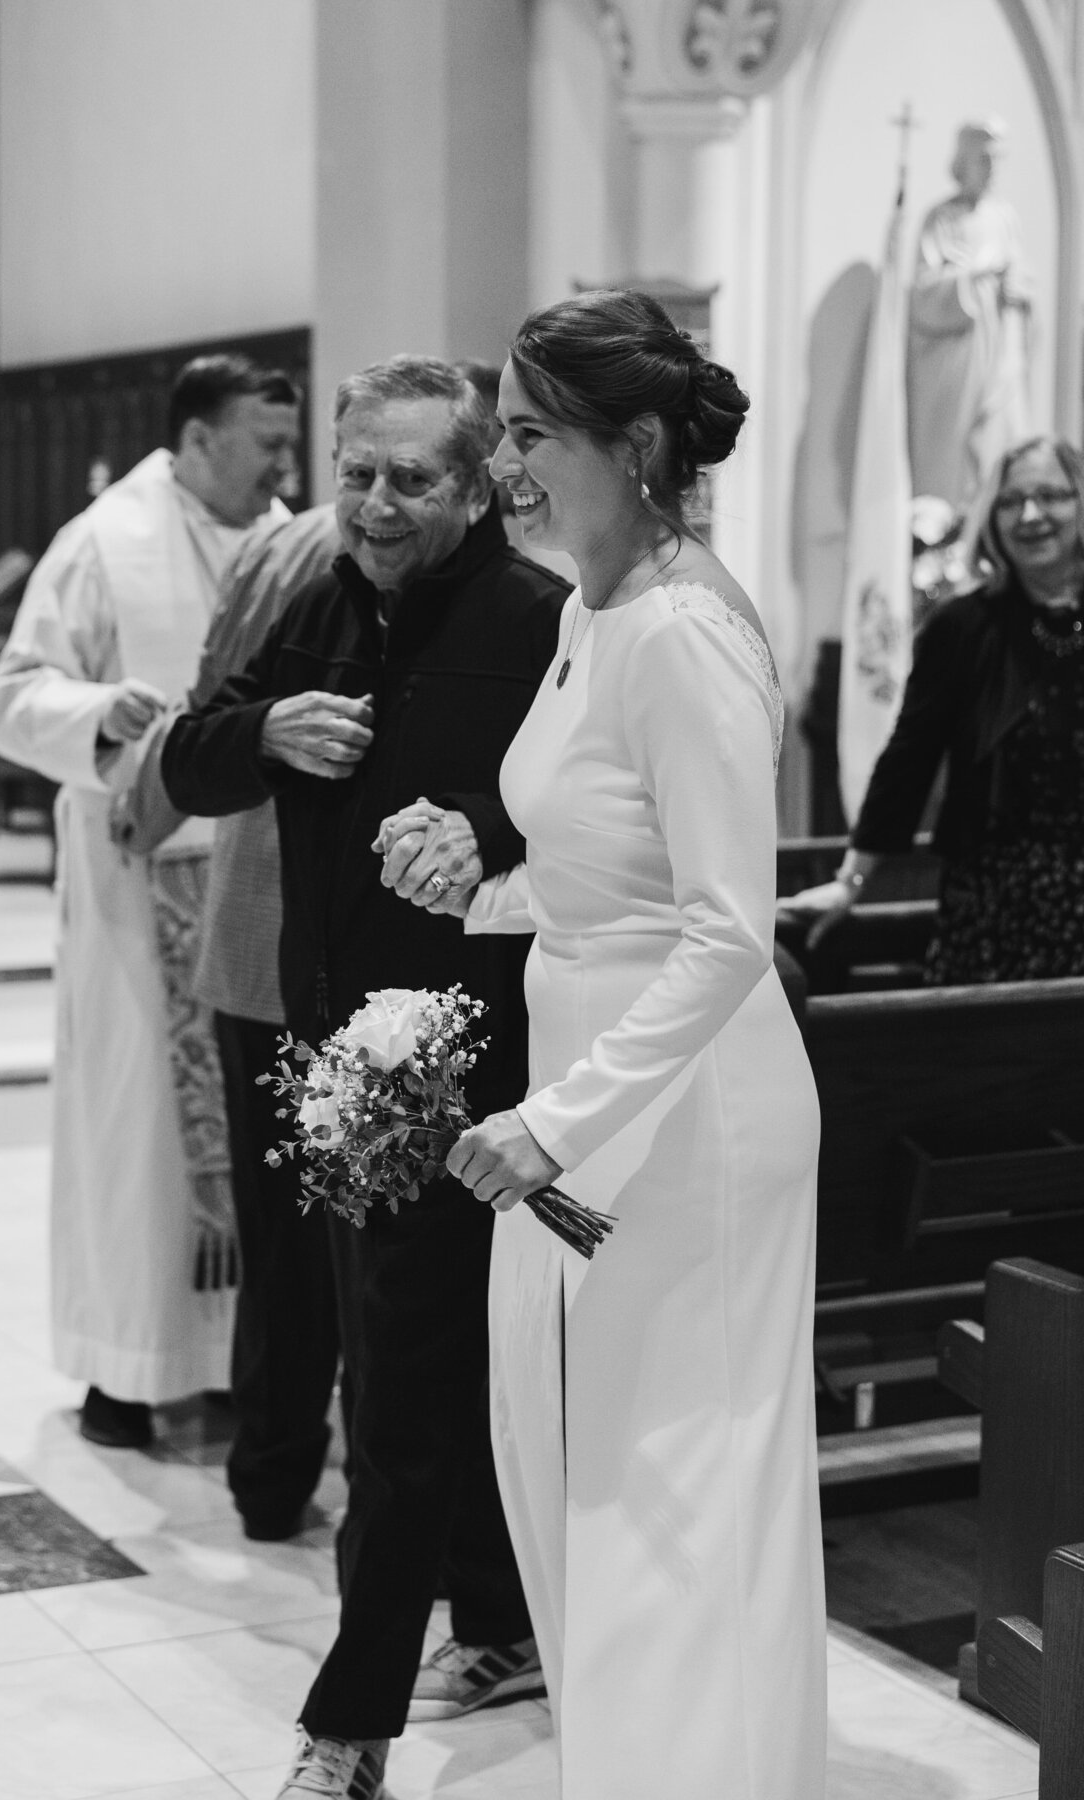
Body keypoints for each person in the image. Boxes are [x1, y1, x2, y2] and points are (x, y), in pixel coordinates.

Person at [383, 291, 827, 1798]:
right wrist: (488, 885)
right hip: (597, 1096)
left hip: (686, 1121)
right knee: (579, 1461)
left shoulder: (686, 636)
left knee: (674, 1481)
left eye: (527, 434)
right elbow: (607, 882)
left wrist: (559, 1120)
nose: (504, 465)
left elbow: (723, 930)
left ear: (632, 448)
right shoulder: (590, 610)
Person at [160, 356, 570, 1800]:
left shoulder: (538, 621)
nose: (376, 505)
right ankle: (504, 1625)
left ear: (477, 490)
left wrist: (476, 823)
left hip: (479, 1068)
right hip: (339, 1052)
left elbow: (587, 821)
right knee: (416, 1369)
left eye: (411, 479)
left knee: (398, 1396)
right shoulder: (322, 599)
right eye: (357, 473)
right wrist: (264, 732)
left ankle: (350, 1730)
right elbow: (189, 761)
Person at [0, 355, 298, 1449]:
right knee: (138, 1137)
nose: (283, 467)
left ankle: (227, 1367)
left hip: (251, 881)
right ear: (201, 439)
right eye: (265, 444)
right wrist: (102, 713)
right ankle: (126, 1369)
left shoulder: (286, 538)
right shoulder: (101, 542)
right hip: (136, 890)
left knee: (256, 1135)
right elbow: (13, 697)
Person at [780, 436, 1084, 985]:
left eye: (1050, 495)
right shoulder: (964, 627)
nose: (1031, 515)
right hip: (996, 910)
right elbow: (908, 760)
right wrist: (850, 882)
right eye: (1011, 501)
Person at [188, 502, 345, 1539]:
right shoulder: (320, 563)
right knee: (302, 1248)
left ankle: (273, 1475)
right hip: (274, 930)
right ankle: (277, 1469)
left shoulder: (279, 542)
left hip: (268, 931)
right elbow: (213, 719)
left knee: (291, 1243)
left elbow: (203, 703)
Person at [908, 120, 1032, 513]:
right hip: (957, 365)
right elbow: (924, 295)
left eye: (997, 160)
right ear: (963, 162)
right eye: (983, 160)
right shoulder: (941, 219)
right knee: (955, 458)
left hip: (1001, 357)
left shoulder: (1004, 217)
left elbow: (1022, 284)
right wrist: (976, 277)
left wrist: (1016, 288)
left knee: (1001, 445)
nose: (992, 169)